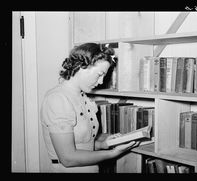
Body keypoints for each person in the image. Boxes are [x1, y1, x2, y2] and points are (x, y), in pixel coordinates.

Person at [40, 43, 138, 173]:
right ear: (82, 67)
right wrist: (112, 154)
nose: (102, 81)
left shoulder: (82, 97)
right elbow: (68, 158)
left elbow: (81, 143)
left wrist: (103, 144)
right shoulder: (58, 99)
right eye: (100, 74)